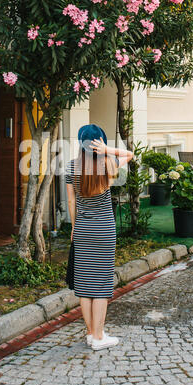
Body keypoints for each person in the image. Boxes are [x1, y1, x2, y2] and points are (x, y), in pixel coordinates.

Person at [65, 124, 133, 351]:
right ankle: (99, 336)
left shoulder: (72, 167)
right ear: (99, 143)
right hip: (104, 230)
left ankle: (91, 333)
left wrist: (74, 227)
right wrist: (107, 150)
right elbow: (130, 155)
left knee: (84, 283)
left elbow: (71, 202)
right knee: (101, 284)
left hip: (82, 229)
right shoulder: (108, 165)